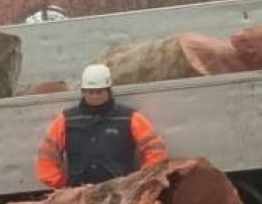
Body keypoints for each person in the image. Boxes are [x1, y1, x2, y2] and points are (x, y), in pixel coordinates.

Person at [36, 63, 168, 189]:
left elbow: (155, 150)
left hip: (120, 193)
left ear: (109, 91)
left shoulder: (130, 118)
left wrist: (141, 181)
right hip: (79, 194)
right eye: (90, 92)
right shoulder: (66, 120)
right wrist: (62, 184)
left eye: (99, 92)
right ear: (83, 92)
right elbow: (47, 154)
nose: (95, 96)